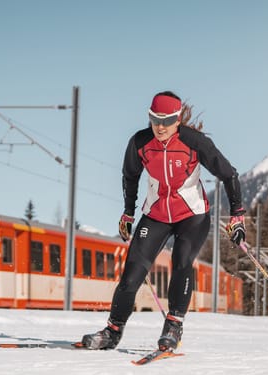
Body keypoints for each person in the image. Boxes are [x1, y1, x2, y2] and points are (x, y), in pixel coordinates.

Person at [81, 91, 247, 352]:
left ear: (177, 119)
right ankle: (112, 331)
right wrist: (128, 213)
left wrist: (238, 216)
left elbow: (230, 174)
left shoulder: (195, 142)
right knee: (132, 274)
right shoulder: (140, 143)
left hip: (192, 215)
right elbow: (130, 176)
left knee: (181, 261)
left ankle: (173, 326)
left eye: (167, 120)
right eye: (155, 119)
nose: (160, 126)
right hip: (156, 215)